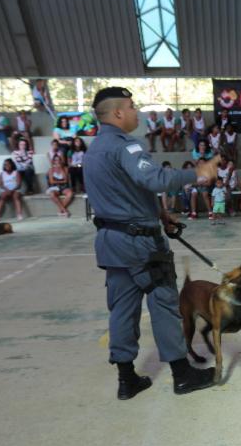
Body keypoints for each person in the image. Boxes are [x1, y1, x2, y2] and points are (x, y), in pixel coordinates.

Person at [83, 87, 220, 400]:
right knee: (164, 305)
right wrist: (197, 172)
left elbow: (126, 191)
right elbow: (155, 179)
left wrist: (160, 213)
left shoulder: (93, 151)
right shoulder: (124, 147)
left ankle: (126, 379)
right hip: (140, 245)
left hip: (111, 241)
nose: (136, 112)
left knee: (122, 309)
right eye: (132, 107)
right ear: (118, 113)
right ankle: (182, 375)